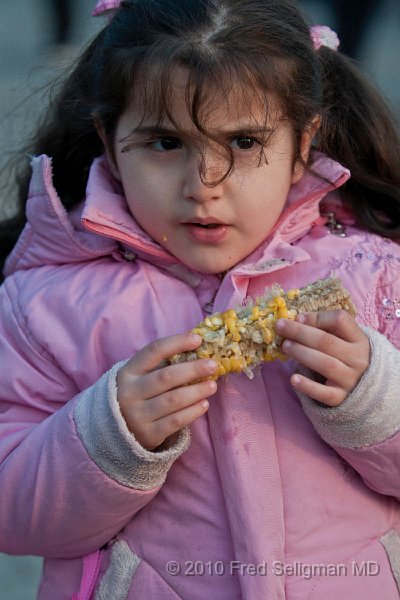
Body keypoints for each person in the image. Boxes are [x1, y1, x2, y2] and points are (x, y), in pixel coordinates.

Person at [0, 1, 400, 598]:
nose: (203, 186)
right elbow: (14, 513)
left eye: (243, 141)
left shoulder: (377, 278)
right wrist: (109, 436)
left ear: (302, 142)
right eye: (165, 143)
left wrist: (379, 402)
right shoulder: (44, 306)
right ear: (110, 142)